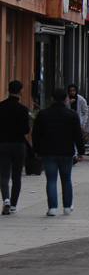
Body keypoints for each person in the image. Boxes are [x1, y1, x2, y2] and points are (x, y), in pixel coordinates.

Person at [31, 88, 85, 216]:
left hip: (48, 151)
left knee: (51, 179)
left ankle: (52, 208)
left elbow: (36, 134)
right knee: (66, 179)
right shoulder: (72, 114)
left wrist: (37, 150)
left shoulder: (43, 114)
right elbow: (78, 135)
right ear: (66, 100)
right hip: (66, 151)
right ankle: (67, 206)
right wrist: (81, 151)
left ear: (52, 99)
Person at [0, 80, 30, 215]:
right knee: (17, 176)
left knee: (4, 174)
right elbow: (25, 130)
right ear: (21, 92)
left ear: (8, 89)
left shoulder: (1, 107)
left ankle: (5, 198)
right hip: (18, 145)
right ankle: (13, 205)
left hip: (3, 144)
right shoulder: (23, 110)